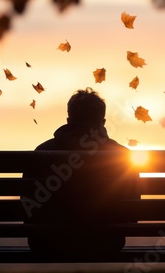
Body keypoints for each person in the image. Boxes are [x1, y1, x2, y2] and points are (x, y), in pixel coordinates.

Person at [24, 87, 138, 255]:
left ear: (69, 120)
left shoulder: (42, 152)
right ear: (103, 122)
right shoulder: (122, 156)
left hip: (48, 243)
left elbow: (28, 207)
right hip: (107, 242)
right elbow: (133, 212)